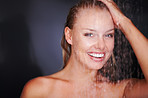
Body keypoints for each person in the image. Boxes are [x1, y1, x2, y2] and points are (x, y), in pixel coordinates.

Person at [21, 0, 148, 97]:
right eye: (90, 34)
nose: (101, 45)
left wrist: (124, 22)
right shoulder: (40, 90)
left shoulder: (120, 91)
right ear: (69, 36)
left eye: (108, 35)